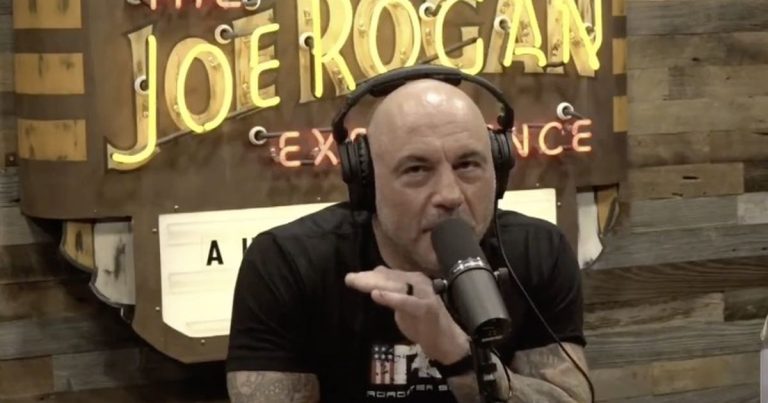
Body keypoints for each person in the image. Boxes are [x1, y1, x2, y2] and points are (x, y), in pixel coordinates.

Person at [225, 75, 591, 402]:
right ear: (369, 184)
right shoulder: (288, 262)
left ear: (497, 171)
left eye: (467, 165)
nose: (449, 194)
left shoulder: (537, 251)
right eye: (416, 169)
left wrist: (457, 353)